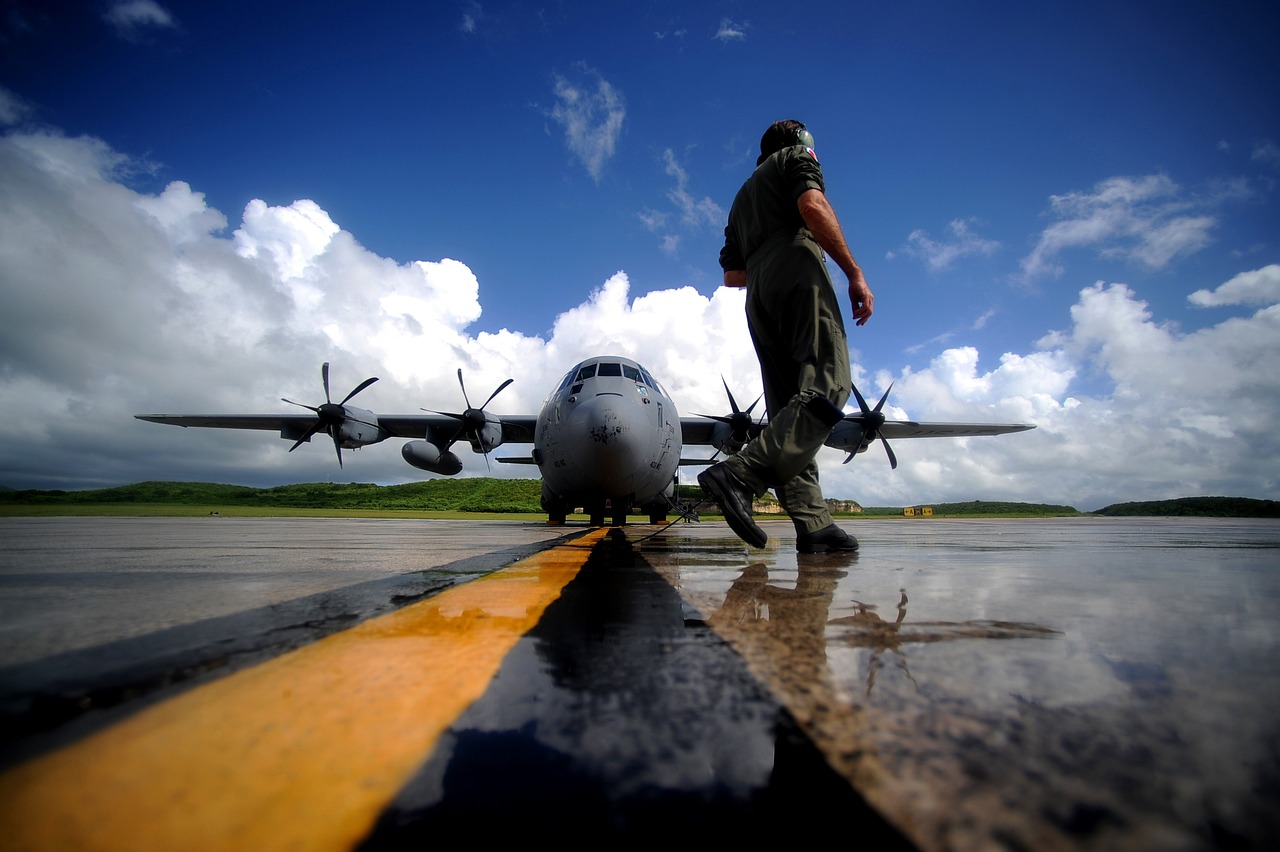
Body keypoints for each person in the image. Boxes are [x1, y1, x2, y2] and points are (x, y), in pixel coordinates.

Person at [698, 119, 873, 553]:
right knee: (828, 381)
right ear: (801, 142)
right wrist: (853, 272)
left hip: (757, 293)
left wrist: (764, 262)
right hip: (797, 267)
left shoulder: (740, 199)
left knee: (787, 410)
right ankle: (742, 473)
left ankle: (813, 523)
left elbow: (731, 275)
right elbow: (813, 207)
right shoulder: (796, 158)